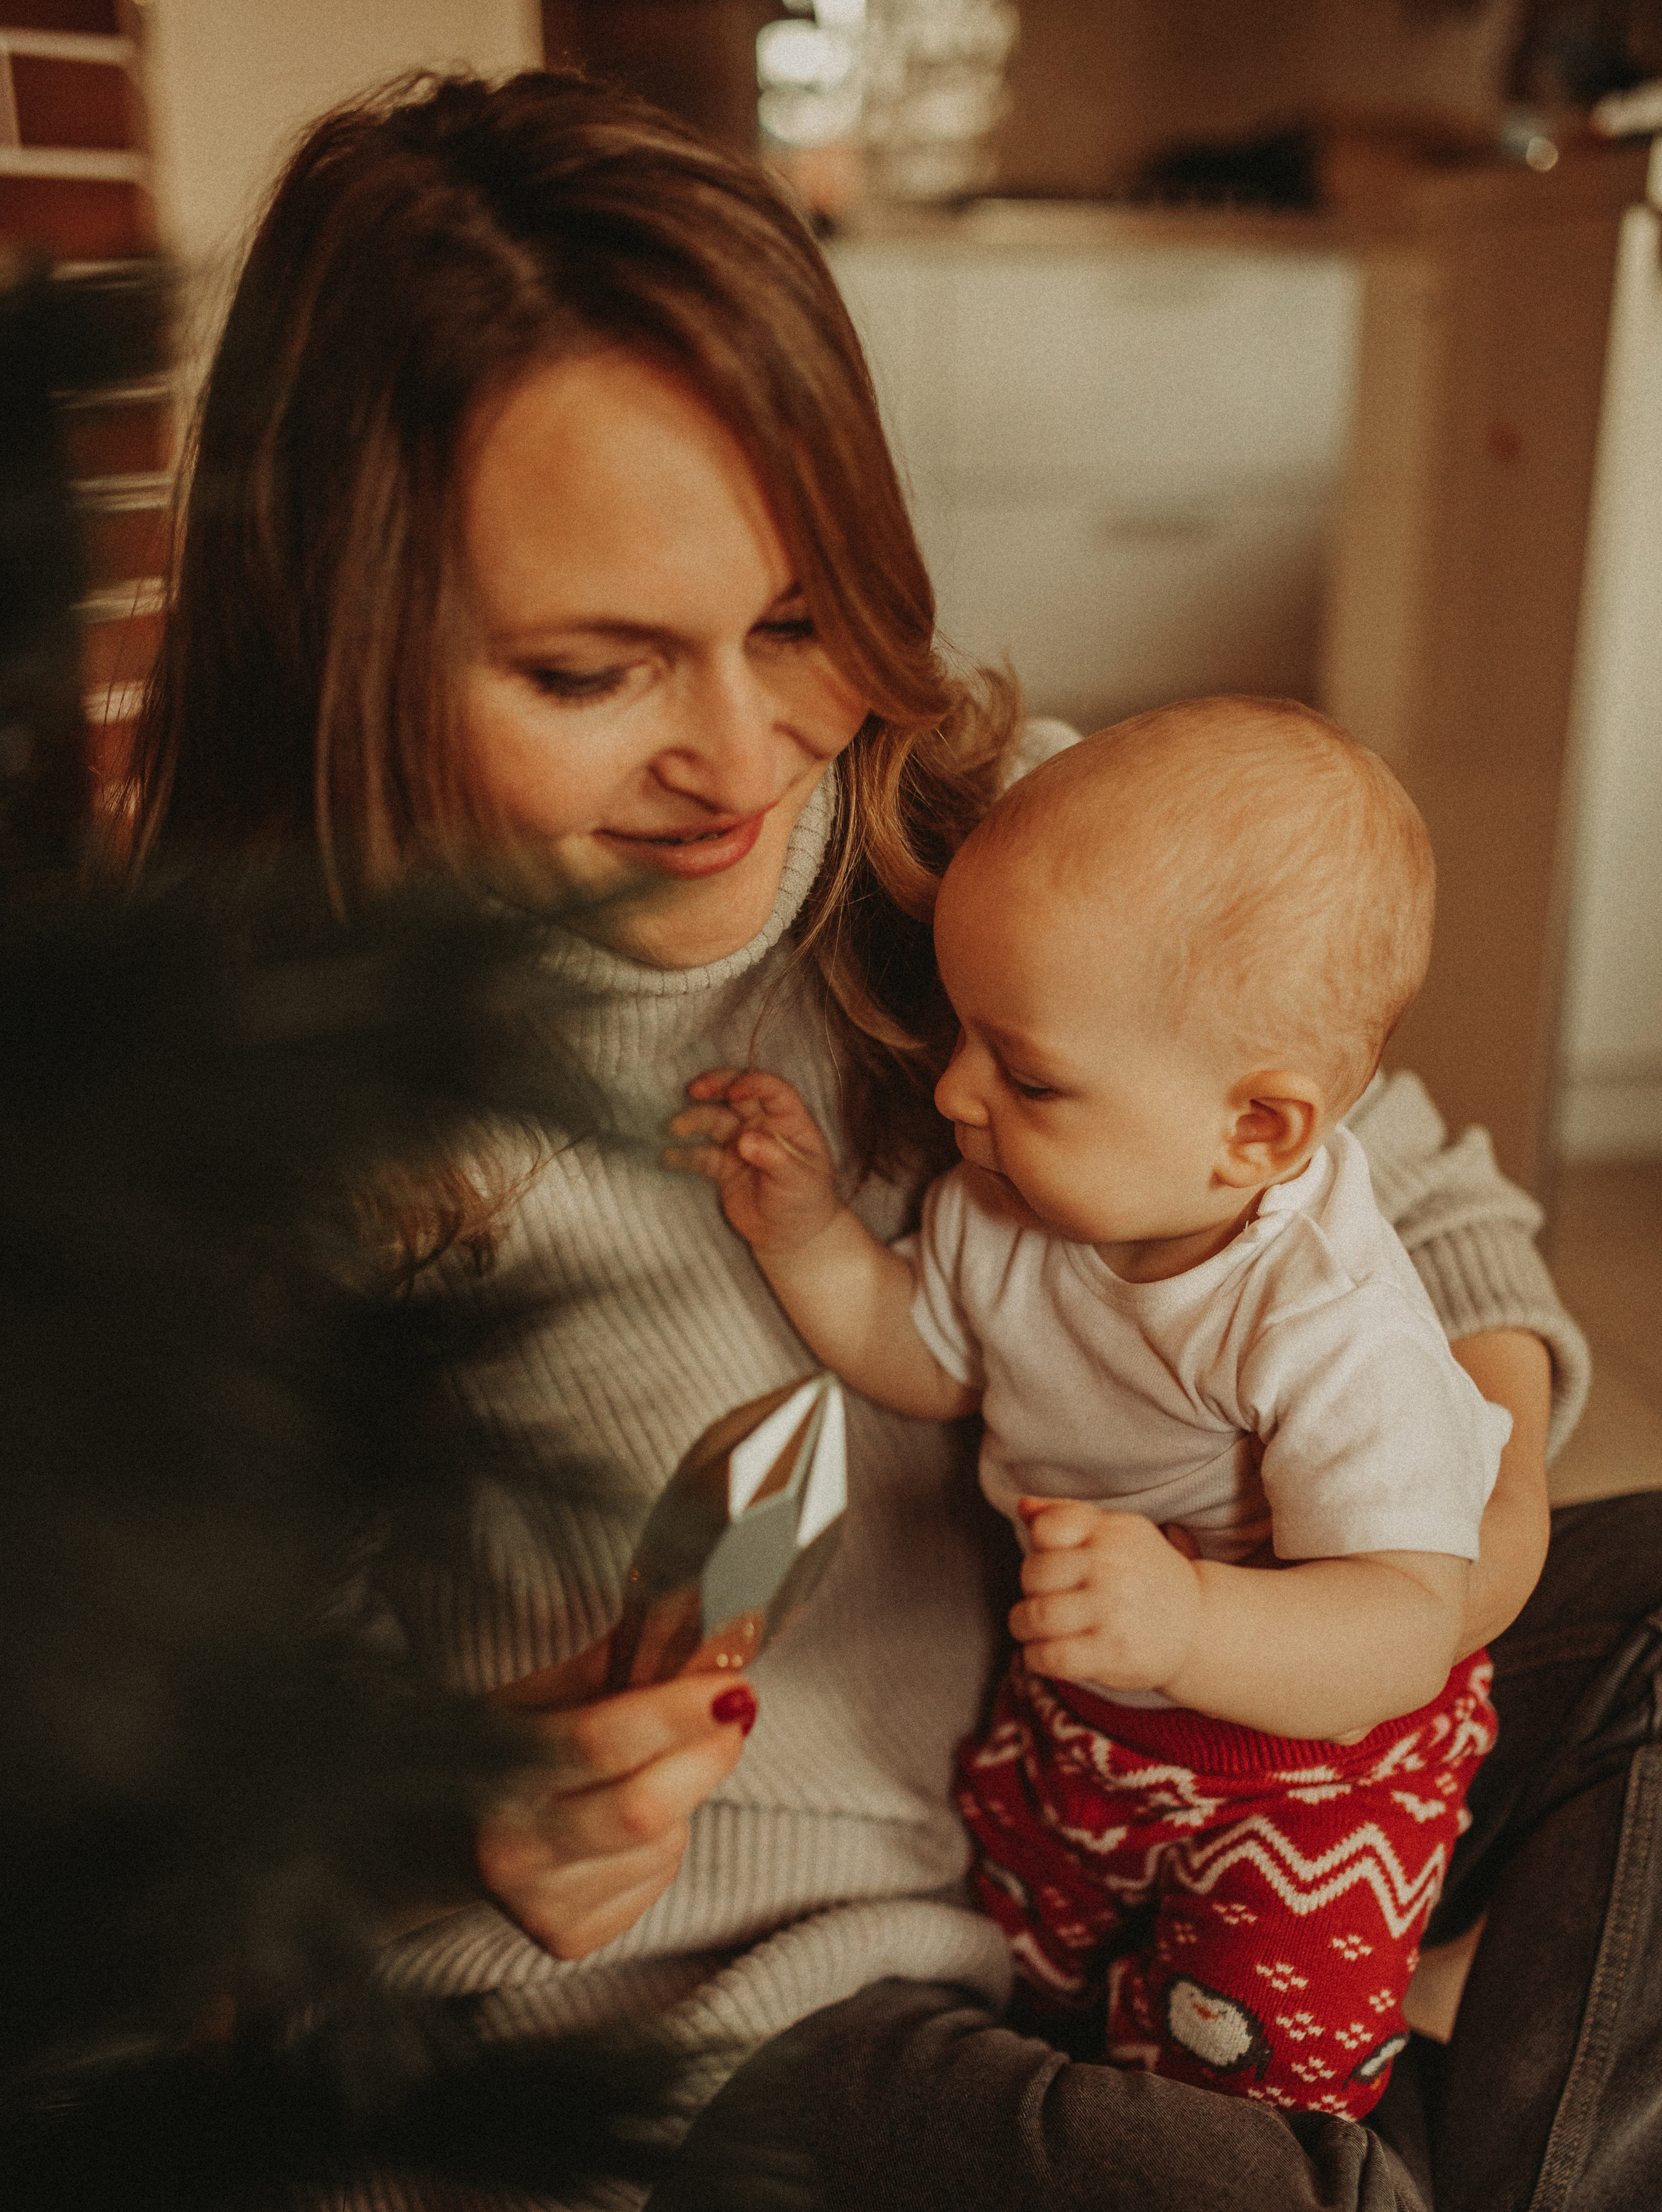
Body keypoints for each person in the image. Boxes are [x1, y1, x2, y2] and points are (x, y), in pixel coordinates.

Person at [122, 66, 1655, 2212]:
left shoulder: (977, 827)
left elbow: (1377, 1156)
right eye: (595, 670)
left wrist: (1458, 1508)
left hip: (1190, 1751)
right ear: (347, 645)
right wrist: (469, 1806)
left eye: (796, 615)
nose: (746, 753)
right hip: (744, 1979)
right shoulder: (254, 1110)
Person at [668, 696, 1519, 2118]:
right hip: (1082, 1717)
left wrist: (1191, 1625)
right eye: (962, 1039)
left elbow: (1400, 1623)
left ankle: (1396, 2003)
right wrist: (806, 1235)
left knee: (1239, 2066)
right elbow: (931, 1359)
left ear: (1254, 1129)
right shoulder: (1006, 1206)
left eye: (1028, 1074)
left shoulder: (1322, 1319)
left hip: (1304, 1769)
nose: (954, 1093)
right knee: (1048, 1975)